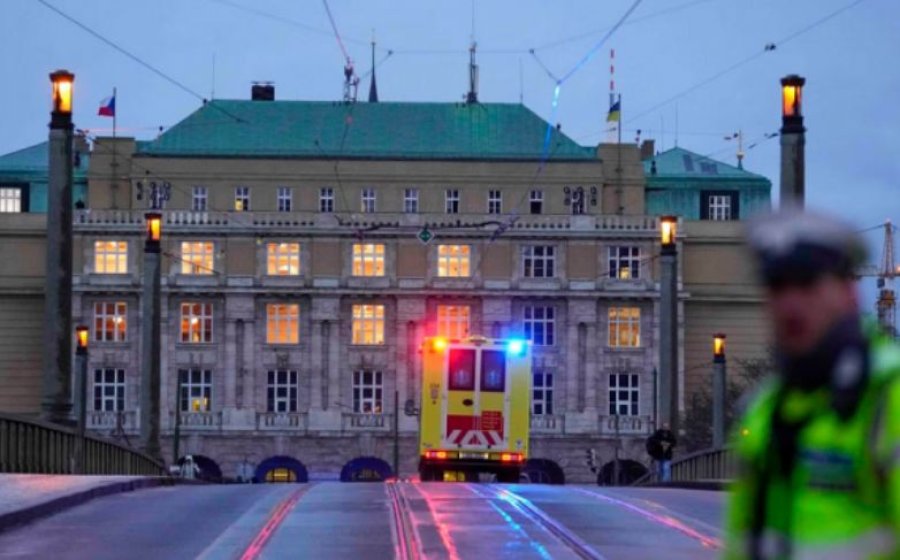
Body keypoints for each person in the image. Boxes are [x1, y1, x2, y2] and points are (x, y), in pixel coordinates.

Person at [725, 210, 900, 559]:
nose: (790, 304)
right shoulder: (764, 409)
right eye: (777, 287)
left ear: (849, 292)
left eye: (806, 284)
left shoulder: (887, 396)